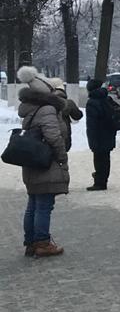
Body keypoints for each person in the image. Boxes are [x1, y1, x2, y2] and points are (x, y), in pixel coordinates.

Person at [15, 67, 69, 257]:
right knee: (44, 204)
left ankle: (31, 242)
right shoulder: (46, 109)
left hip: (32, 162)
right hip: (46, 162)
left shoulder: (29, 108)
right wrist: (62, 156)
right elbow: (53, 136)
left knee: (34, 204)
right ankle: (43, 243)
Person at [84, 77, 120, 190]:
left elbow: (92, 124)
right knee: (105, 158)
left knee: (98, 159)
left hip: (98, 135)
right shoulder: (107, 98)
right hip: (109, 133)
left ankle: (99, 183)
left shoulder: (92, 102)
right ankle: (103, 180)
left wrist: (92, 140)